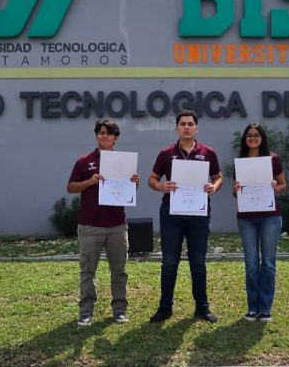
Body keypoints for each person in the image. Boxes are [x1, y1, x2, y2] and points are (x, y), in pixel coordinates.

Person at [147, 110, 223, 323]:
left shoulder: (208, 152)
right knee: (169, 262)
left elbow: (218, 177)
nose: (187, 127)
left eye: (190, 124)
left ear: (196, 128)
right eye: (183, 124)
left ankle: (202, 307)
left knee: (198, 262)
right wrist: (161, 186)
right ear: (177, 128)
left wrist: (214, 187)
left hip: (198, 214)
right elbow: (152, 179)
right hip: (171, 213)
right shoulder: (166, 153)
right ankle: (165, 308)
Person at [67, 119, 140, 327]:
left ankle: (119, 309)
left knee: (119, 271)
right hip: (90, 225)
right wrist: (90, 181)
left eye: (108, 133)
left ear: (116, 138)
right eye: (101, 132)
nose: (104, 136)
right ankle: (86, 311)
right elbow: (71, 187)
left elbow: (128, 192)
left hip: (117, 225)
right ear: (96, 136)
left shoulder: (124, 162)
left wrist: (134, 183)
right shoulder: (84, 161)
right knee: (87, 271)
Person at [232, 123, 287, 323]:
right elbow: (235, 193)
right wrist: (236, 189)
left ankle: (265, 308)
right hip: (247, 218)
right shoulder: (240, 162)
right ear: (244, 139)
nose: (253, 138)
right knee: (251, 264)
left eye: (256, 135)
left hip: (270, 217)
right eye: (249, 135)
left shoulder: (272, 159)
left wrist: (274, 186)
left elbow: (283, 186)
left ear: (262, 138)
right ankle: (252, 308)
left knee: (269, 263)